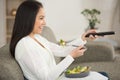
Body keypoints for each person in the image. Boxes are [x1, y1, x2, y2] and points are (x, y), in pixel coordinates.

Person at [10, 0, 108, 80]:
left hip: (59, 77)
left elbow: (60, 49)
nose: (44, 22)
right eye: (41, 18)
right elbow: (46, 77)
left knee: (103, 75)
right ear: (29, 19)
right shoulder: (25, 46)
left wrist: (83, 38)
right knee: (103, 76)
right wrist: (71, 56)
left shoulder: (36, 38)